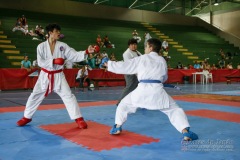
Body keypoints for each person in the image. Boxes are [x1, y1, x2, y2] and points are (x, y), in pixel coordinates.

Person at [105, 38, 198, 141]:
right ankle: (186, 132)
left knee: (123, 105)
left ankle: (117, 127)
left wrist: (109, 64)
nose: (144, 49)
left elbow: (125, 66)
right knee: (174, 110)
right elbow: (164, 77)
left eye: (146, 46)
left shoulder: (142, 58)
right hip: (157, 91)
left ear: (150, 47)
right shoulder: (162, 60)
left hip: (141, 91)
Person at [16, 23, 94, 129]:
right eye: (56, 31)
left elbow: (74, 55)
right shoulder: (41, 46)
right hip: (45, 75)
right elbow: (40, 62)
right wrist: (53, 61)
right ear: (50, 33)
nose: (59, 33)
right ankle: (27, 117)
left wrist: (86, 52)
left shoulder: (63, 46)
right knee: (35, 95)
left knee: (69, 96)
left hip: (58, 76)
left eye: (59, 31)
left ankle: (78, 118)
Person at [116, 38, 141, 106]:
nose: (133, 46)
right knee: (129, 87)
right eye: (132, 44)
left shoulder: (137, 52)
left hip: (136, 72)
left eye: (135, 44)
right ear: (129, 46)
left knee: (136, 87)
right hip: (130, 73)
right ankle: (120, 102)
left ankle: (134, 102)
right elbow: (130, 66)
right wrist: (137, 74)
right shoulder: (126, 53)